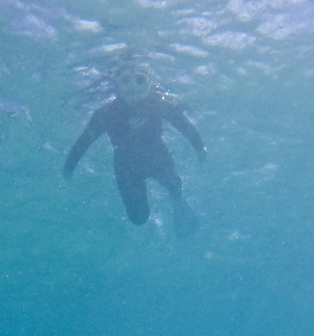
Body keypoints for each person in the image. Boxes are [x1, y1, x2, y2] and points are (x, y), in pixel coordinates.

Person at [63, 63, 207, 237]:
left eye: (140, 80)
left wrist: (199, 147)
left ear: (149, 84)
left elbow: (184, 125)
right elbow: (84, 141)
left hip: (157, 156)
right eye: (125, 81)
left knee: (175, 187)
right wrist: (70, 165)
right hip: (126, 167)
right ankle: (173, 198)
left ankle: (176, 201)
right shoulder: (106, 113)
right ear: (116, 85)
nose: (133, 88)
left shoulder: (159, 104)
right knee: (138, 218)